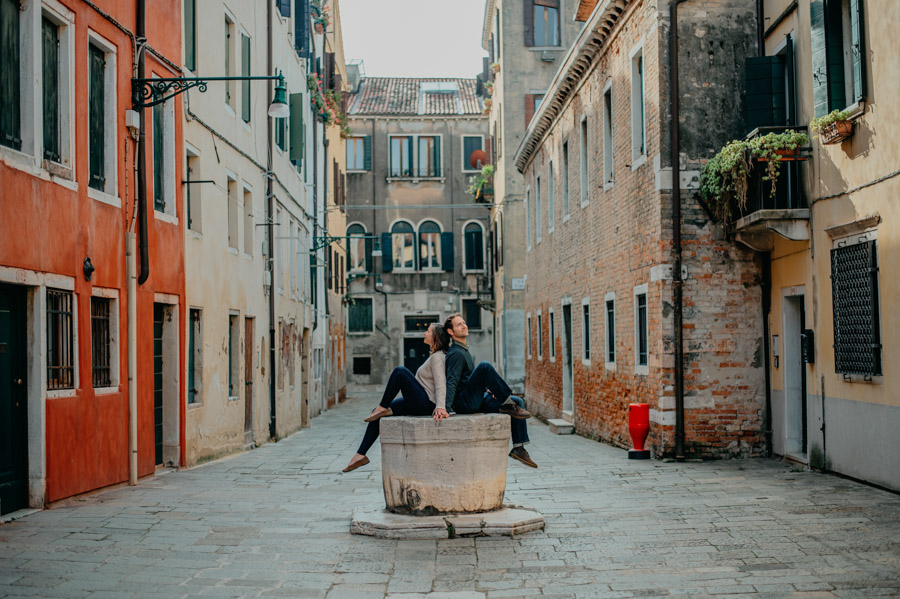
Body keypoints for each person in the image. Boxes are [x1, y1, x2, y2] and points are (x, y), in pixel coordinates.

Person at [343, 322, 451, 473]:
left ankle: (382, 406)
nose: (424, 334)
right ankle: (360, 455)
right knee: (377, 414)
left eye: (428, 331)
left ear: (436, 337)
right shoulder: (434, 356)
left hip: (426, 403)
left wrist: (440, 406)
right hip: (420, 401)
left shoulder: (438, 357)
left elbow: (441, 383)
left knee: (400, 372)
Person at [441, 313, 538, 468]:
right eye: (459, 324)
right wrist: (446, 408)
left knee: (518, 401)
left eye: (464, 322)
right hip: (464, 404)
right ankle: (507, 403)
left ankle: (519, 448)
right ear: (451, 332)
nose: (464, 325)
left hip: (474, 399)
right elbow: (451, 381)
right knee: (484, 366)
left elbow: (466, 380)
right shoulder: (456, 354)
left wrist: (487, 390)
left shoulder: (463, 350)